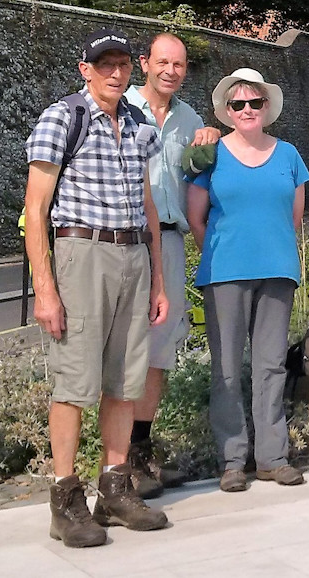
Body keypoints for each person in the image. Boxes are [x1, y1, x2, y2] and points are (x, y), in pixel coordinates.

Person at [24, 28, 171, 547]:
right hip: (81, 252)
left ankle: (115, 488)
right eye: (104, 64)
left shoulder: (138, 125)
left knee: (125, 379)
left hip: (132, 252)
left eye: (123, 64)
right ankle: (65, 500)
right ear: (85, 69)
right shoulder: (63, 117)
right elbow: (36, 210)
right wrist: (45, 287)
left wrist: (157, 277)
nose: (115, 72)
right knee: (74, 381)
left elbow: (148, 205)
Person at [187, 68, 309, 492]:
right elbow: (195, 217)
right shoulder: (210, 155)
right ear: (226, 110)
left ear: (266, 107)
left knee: (271, 365)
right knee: (225, 369)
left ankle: (272, 457)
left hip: (277, 271)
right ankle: (232, 460)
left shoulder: (289, 155)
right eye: (237, 104)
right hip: (224, 273)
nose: (246, 110)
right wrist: (229, 252)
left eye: (254, 103)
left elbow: (294, 217)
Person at [122, 33, 219, 498]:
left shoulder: (189, 118)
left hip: (170, 241)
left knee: (159, 350)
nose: (171, 71)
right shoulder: (116, 107)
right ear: (145, 63)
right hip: (124, 241)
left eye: (179, 64)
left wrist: (210, 140)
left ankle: (140, 452)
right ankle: (116, 462)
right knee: (122, 348)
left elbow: (196, 174)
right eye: (163, 62)